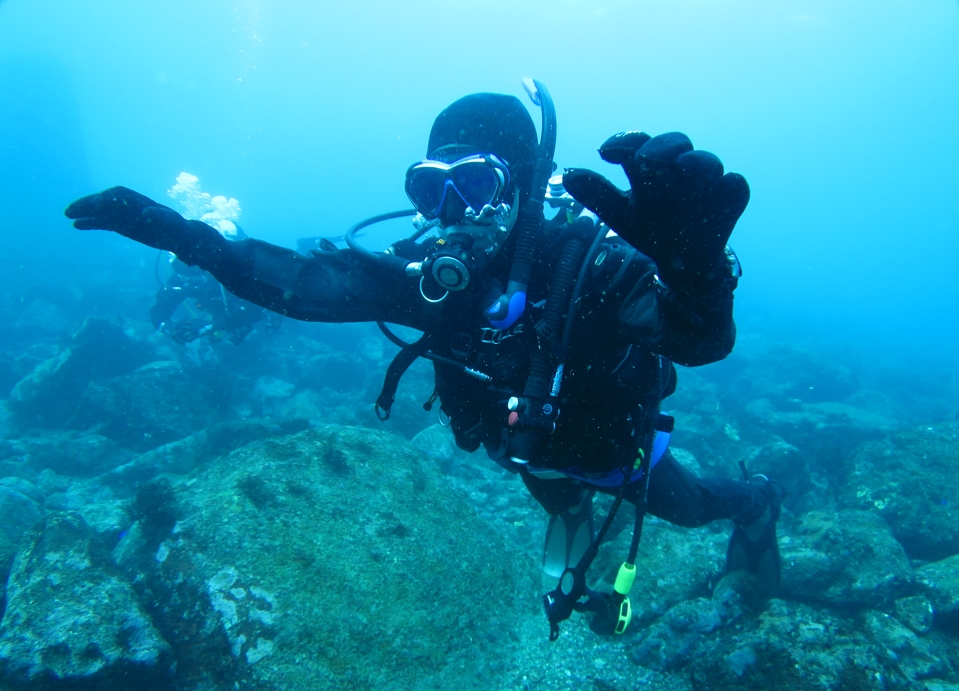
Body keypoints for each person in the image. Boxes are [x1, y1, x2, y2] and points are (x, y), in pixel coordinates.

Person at [65, 81, 783, 639]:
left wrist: (697, 277)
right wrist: (201, 244)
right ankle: (568, 520)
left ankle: (757, 499)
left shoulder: (588, 263)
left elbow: (696, 341)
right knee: (555, 493)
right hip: (524, 450)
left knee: (687, 510)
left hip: (612, 450)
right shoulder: (425, 278)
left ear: (523, 184)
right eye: (428, 186)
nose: (450, 210)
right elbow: (309, 287)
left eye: (471, 184)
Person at [151, 252, 282, 346]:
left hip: (240, 308)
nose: (188, 274)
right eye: (180, 266)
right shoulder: (179, 280)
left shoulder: (229, 275)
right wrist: (169, 327)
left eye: (194, 268)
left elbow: (261, 308)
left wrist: (212, 325)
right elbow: (159, 311)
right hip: (223, 313)